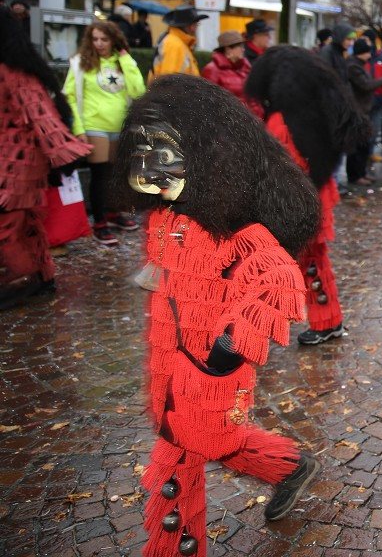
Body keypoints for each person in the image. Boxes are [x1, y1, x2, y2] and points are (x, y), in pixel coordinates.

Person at [115, 75, 324, 556]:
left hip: (210, 366)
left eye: (162, 153)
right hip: (170, 361)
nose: (148, 168)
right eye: (141, 152)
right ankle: (288, 466)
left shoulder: (234, 229)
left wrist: (226, 350)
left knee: (184, 449)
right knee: (207, 439)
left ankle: (177, 546)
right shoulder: (165, 217)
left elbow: (278, 280)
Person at [246, 46, 365, 346]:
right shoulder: (308, 111)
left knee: (308, 262)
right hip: (307, 197)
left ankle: (324, 321)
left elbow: (284, 166)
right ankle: (322, 320)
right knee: (307, 261)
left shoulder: (284, 120)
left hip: (296, 202)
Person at [0, 7, 91, 309]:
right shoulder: (17, 67)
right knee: (28, 222)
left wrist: (63, 153)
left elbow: (41, 114)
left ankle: (18, 278)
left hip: (17, 163)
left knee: (9, 224)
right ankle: (42, 276)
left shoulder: (12, 71)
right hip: (15, 161)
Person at [63, 19, 146, 244]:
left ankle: (113, 213)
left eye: (104, 39)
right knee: (100, 175)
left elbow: (138, 90)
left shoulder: (123, 62)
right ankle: (99, 222)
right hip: (94, 126)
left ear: (114, 40)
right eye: (95, 39)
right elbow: (69, 96)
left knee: (116, 174)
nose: (99, 43)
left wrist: (126, 60)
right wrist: (78, 128)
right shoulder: (81, 63)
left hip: (119, 126)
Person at [344, 40, 382, 186]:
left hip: (362, 109)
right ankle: (355, 175)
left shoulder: (357, 65)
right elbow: (365, 85)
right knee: (357, 146)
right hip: (358, 110)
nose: (370, 54)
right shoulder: (353, 66)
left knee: (363, 145)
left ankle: (361, 173)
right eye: (368, 52)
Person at [200, 30, 261, 119]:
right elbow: (208, 101)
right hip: (231, 123)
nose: (243, 49)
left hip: (254, 122)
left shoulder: (246, 67)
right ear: (228, 49)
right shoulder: (212, 69)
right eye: (239, 47)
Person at [149, 5, 206, 81]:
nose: (196, 28)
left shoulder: (177, 42)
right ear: (191, 26)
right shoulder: (175, 45)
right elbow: (169, 83)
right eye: (196, 24)